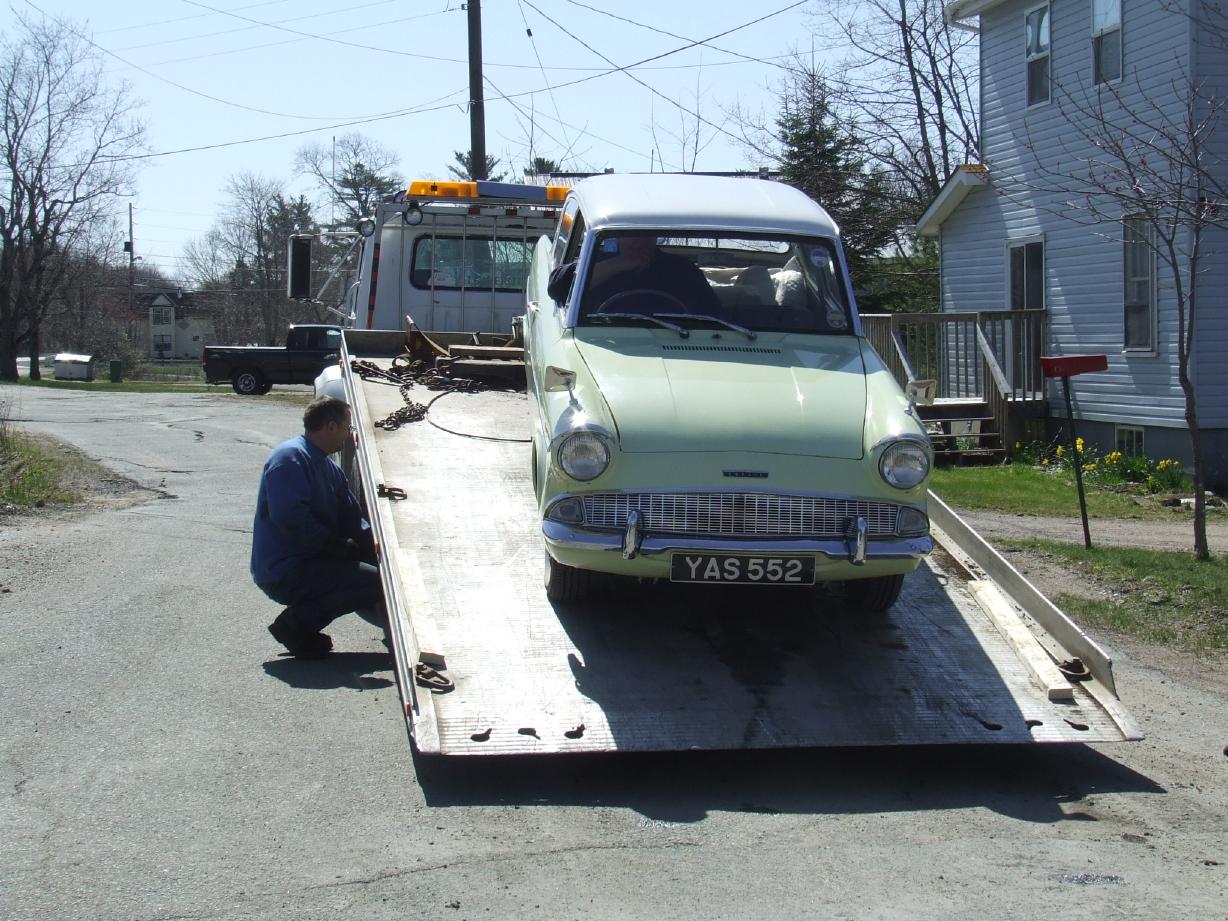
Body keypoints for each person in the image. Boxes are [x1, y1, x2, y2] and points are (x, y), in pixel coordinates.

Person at [251, 395, 381, 659]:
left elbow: (352, 518)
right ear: (331, 426)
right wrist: (334, 545)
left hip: (310, 563)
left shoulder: (329, 468)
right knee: (372, 583)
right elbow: (289, 517)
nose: (347, 435)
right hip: (285, 570)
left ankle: (301, 623)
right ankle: (295, 626)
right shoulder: (290, 458)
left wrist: (377, 552)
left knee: (379, 578)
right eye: (347, 428)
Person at [548, 232, 721, 317]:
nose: (639, 242)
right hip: (603, 336)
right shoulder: (595, 263)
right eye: (631, 235)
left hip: (675, 339)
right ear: (618, 236)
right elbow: (556, 287)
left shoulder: (682, 270)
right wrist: (617, 264)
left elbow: (714, 315)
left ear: (655, 237)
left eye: (646, 235)